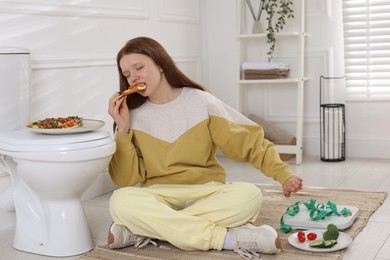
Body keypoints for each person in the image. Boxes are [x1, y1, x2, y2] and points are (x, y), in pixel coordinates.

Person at [107, 36, 303, 258]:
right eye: (127, 75)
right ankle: (228, 239)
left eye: (139, 68)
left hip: (207, 192)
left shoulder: (201, 102)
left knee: (250, 195)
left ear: (161, 64)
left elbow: (248, 142)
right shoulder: (132, 116)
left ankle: (148, 229)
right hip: (160, 196)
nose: (133, 78)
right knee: (120, 200)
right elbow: (125, 180)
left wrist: (282, 173)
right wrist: (122, 130)